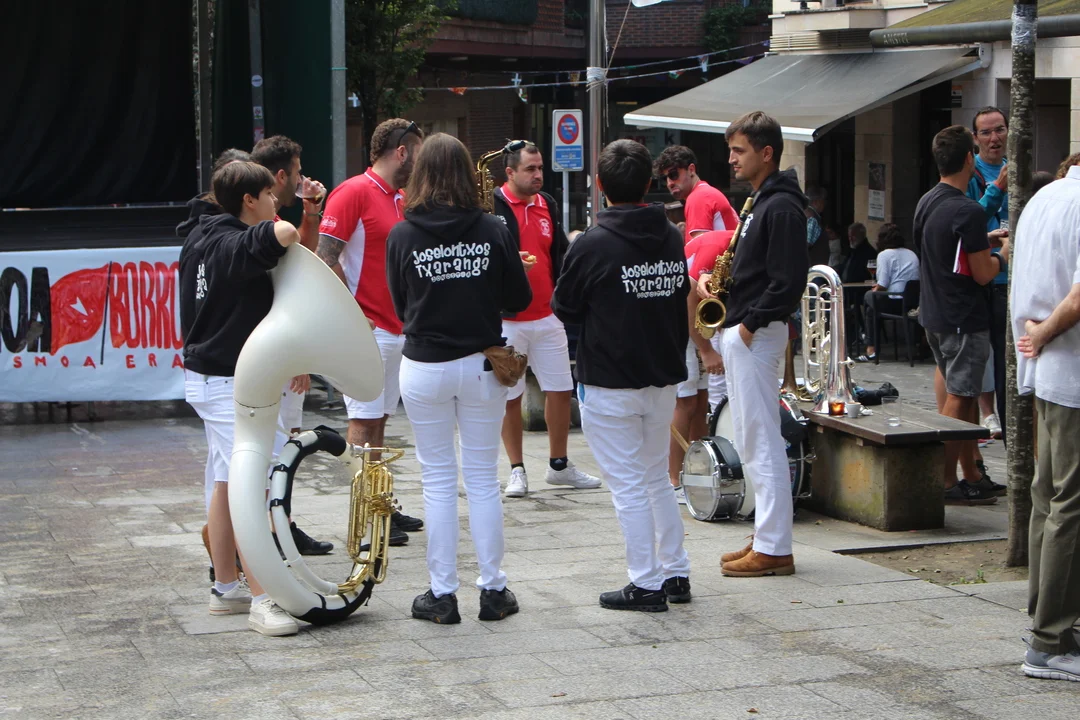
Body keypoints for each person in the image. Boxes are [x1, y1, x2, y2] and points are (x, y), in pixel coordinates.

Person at [385, 133, 533, 624]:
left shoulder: (402, 234)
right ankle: (493, 590)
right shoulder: (492, 228)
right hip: (480, 365)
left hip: (424, 365)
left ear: (421, 174)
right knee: (483, 479)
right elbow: (519, 297)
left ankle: (442, 594)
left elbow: (399, 305)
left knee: (438, 481)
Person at [553, 138, 692, 611]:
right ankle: (675, 572)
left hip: (611, 378)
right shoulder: (671, 235)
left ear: (599, 185)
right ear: (650, 184)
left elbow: (564, 306)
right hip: (662, 373)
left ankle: (646, 583)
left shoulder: (593, 243)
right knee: (655, 477)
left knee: (630, 485)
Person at [179, 160, 303, 636]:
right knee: (252, 487)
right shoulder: (233, 242)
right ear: (249, 200)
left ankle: (226, 587)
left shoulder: (199, 235)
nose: (276, 202)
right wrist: (286, 222)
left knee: (226, 482)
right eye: (269, 195)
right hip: (229, 383)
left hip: (211, 379)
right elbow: (282, 234)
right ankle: (263, 599)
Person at [699, 111, 809, 578]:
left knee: (761, 439)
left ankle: (774, 546)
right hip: (747, 329)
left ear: (766, 153)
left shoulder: (779, 207)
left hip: (756, 334)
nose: (731, 159)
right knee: (749, 436)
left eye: (739, 150)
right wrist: (717, 285)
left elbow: (788, 282)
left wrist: (747, 325)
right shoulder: (761, 201)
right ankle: (767, 532)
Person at [317, 118, 425, 541]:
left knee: (378, 420)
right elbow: (323, 258)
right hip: (369, 328)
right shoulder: (352, 192)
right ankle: (364, 518)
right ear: (402, 152)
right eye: (418, 154)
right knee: (363, 422)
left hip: (397, 327)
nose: (420, 163)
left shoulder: (400, 197)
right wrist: (350, 313)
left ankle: (380, 504)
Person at [491, 141, 600, 498]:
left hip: (548, 313)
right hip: (509, 318)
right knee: (510, 394)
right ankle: (516, 469)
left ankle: (559, 465)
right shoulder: (492, 205)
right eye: (530, 169)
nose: (538, 175)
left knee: (561, 389)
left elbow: (558, 254)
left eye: (540, 168)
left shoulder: (547, 203)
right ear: (510, 172)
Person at [1010, 161, 1080, 681]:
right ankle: (1050, 639)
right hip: (1069, 369)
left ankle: (1046, 623)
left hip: (1048, 372)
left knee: (1048, 496)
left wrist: (1037, 336)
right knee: (1069, 504)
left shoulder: (1043, 199)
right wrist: (1045, 333)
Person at [914, 125, 1008, 505]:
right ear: (970, 158)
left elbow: (943, 248)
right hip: (963, 317)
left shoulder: (928, 200)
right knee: (959, 397)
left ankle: (971, 473)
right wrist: (1003, 255)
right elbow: (983, 273)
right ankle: (944, 480)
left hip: (934, 312)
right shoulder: (968, 210)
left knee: (965, 396)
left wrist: (983, 242)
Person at [251, 135, 333, 556]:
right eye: (298, 172)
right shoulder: (260, 224)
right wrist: (293, 356)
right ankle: (270, 533)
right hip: (272, 353)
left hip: (277, 351)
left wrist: (311, 211)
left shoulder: (273, 217)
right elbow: (283, 289)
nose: (303, 179)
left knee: (285, 443)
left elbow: (302, 261)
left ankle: (281, 525)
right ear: (281, 176)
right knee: (276, 447)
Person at [670, 230, 728, 502]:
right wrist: (706, 350)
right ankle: (673, 480)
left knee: (701, 399)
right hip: (679, 322)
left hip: (695, 324)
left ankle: (698, 471)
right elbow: (688, 297)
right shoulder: (717, 246)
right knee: (685, 401)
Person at [966, 107, 1010, 443]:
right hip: (985, 277)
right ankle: (987, 411)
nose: (994, 138)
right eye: (986, 132)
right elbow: (967, 222)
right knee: (985, 352)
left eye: (1000, 130)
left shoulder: (1018, 168)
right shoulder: (971, 174)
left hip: (1013, 278)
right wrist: (998, 188)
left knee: (1008, 354)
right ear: (976, 138)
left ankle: (1010, 419)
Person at [856, 224, 920, 363]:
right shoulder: (912, 253)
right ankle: (917, 346)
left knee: (868, 297)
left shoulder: (884, 255)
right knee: (872, 310)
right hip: (911, 303)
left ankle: (870, 346)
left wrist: (875, 289)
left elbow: (883, 284)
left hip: (893, 301)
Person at [654, 145, 739, 240]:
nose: (669, 183)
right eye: (664, 179)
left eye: (673, 175)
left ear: (691, 170)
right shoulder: (705, 193)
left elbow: (701, 247)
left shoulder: (699, 197)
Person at [805, 186, 831, 268]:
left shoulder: (809, 215)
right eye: (823, 201)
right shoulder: (812, 218)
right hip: (812, 268)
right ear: (816, 202)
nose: (825, 204)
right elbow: (806, 244)